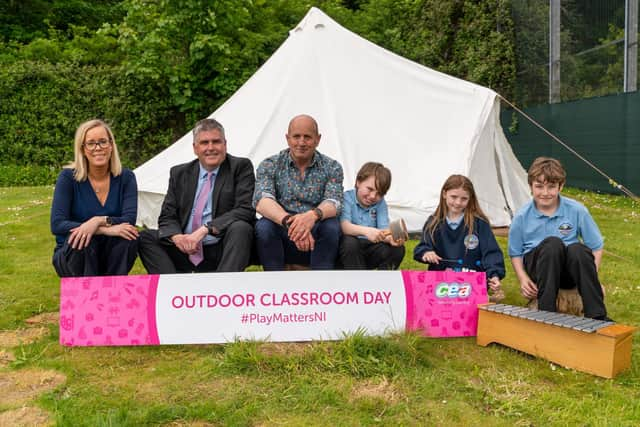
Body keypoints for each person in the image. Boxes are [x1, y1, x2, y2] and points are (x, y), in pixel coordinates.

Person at [138, 118, 255, 273]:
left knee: (241, 228)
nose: (211, 148)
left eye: (216, 142)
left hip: (220, 247)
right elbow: (167, 216)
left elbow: (245, 209)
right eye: (204, 143)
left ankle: (224, 288)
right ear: (195, 148)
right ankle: (172, 290)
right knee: (146, 237)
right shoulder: (179, 173)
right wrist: (177, 237)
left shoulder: (240, 167)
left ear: (225, 144)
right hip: (184, 248)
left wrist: (204, 230)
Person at [508, 157, 609, 320]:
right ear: (531, 187)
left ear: (561, 186)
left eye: (551, 187)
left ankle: (597, 316)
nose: (545, 193)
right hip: (540, 267)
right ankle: (546, 313)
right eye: (539, 187)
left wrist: (591, 276)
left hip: (568, 271)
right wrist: (523, 278)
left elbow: (596, 246)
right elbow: (515, 253)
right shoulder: (521, 216)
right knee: (553, 244)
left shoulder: (577, 210)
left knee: (578, 249)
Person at [253, 114, 343, 270]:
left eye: (307, 137)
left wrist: (312, 216)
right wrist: (293, 223)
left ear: (318, 139)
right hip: (282, 227)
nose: (301, 142)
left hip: (315, 230)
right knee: (264, 227)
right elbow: (262, 201)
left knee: (331, 226)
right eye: (296, 137)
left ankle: (321, 286)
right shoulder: (270, 164)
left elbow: (334, 202)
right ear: (288, 138)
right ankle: (274, 285)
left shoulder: (332, 167)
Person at [50, 119, 139, 277]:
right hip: (75, 252)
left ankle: (115, 292)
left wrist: (97, 221)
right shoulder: (68, 178)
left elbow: (129, 219)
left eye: (103, 142)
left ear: (111, 146)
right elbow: (57, 224)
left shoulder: (126, 177)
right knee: (84, 238)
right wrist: (102, 230)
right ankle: (88, 298)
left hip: (109, 252)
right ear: (82, 149)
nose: (98, 148)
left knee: (128, 237)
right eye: (91, 143)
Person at [413, 174, 505, 301]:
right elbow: (422, 247)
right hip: (440, 283)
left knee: (468, 311)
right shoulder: (433, 223)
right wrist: (426, 252)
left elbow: (491, 253)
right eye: (454, 197)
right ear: (444, 194)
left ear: (470, 199)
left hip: (471, 283)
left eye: (463, 199)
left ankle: (481, 298)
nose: (458, 202)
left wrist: (494, 275)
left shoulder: (479, 223)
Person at [339, 162, 405, 269]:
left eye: (380, 193)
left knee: (398, 249)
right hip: (348, 251)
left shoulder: (380, 203)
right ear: (358, 182)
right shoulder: (346, 197)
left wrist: (390, 239)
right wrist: (366, 231)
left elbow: (383, 230)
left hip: (370, 247)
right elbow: (345, 226)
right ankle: (358, 281)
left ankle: (382, 280)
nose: (373, 196)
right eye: (369, 189)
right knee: (350, 243)